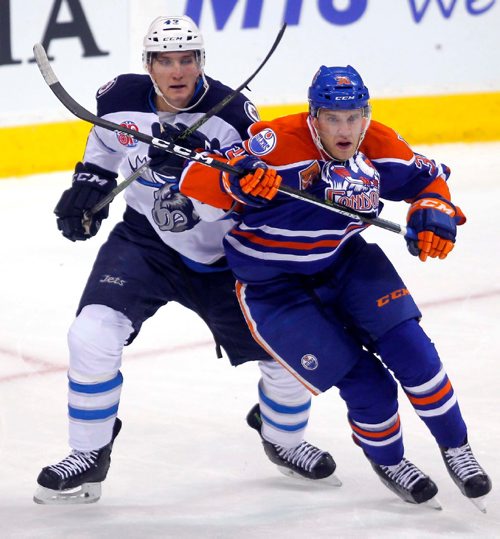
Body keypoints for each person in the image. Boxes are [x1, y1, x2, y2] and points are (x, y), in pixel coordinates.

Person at [33, 16, 337, 505]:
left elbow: (253, 198)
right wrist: (87, 189)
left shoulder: (235, 116)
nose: (177, 72)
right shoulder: (118, 98)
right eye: (165, 61)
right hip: (145, 244)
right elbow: (105, 147)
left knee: (286, 355)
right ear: (148, 64)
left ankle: (283, 438)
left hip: (228, 257)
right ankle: (89, 452)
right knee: (90, 335)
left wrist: (201, 170)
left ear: (201, 61)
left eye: (187, 59)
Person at [178, 65, 492, 510]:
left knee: (414, 352)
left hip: (345, 263)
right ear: (314, 116)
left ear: (365, 113)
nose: (344, 131)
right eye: (332, 118)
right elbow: (197, 181)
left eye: (353, 117)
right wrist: (238, 182)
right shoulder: (279, 143)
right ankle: (390, 460)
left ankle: (456, 447)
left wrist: (434, 209)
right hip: (273, 287)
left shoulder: (379, 143)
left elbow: (428, 181)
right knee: (367, 384)